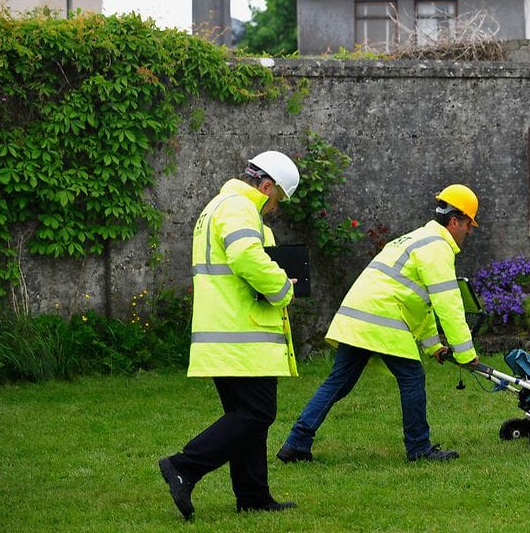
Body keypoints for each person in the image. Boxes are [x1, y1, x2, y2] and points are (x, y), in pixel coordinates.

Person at [276, 184, 481, 464]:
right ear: (455, 220)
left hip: (357, 317)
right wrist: (466, 353)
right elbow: (448, 304)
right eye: (469, 224)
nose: (469, 232)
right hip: (382, 319)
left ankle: (296, 444)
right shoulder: (437, 248)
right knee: (411, 377)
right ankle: (419, 448)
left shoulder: (413, 239)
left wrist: (433, 346)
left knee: (338, 383)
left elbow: (419, 302)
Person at [158, 150, 301, 519]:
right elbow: (245, 257)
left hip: (226, 333)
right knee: (257, 413)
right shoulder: (239, 207)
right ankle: (183, 466)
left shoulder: (218, 206)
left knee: (244, 415)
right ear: (266, 186)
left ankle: (253, 496)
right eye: (278, 199)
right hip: (243, 333)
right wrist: (283, 288)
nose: (275, 208)